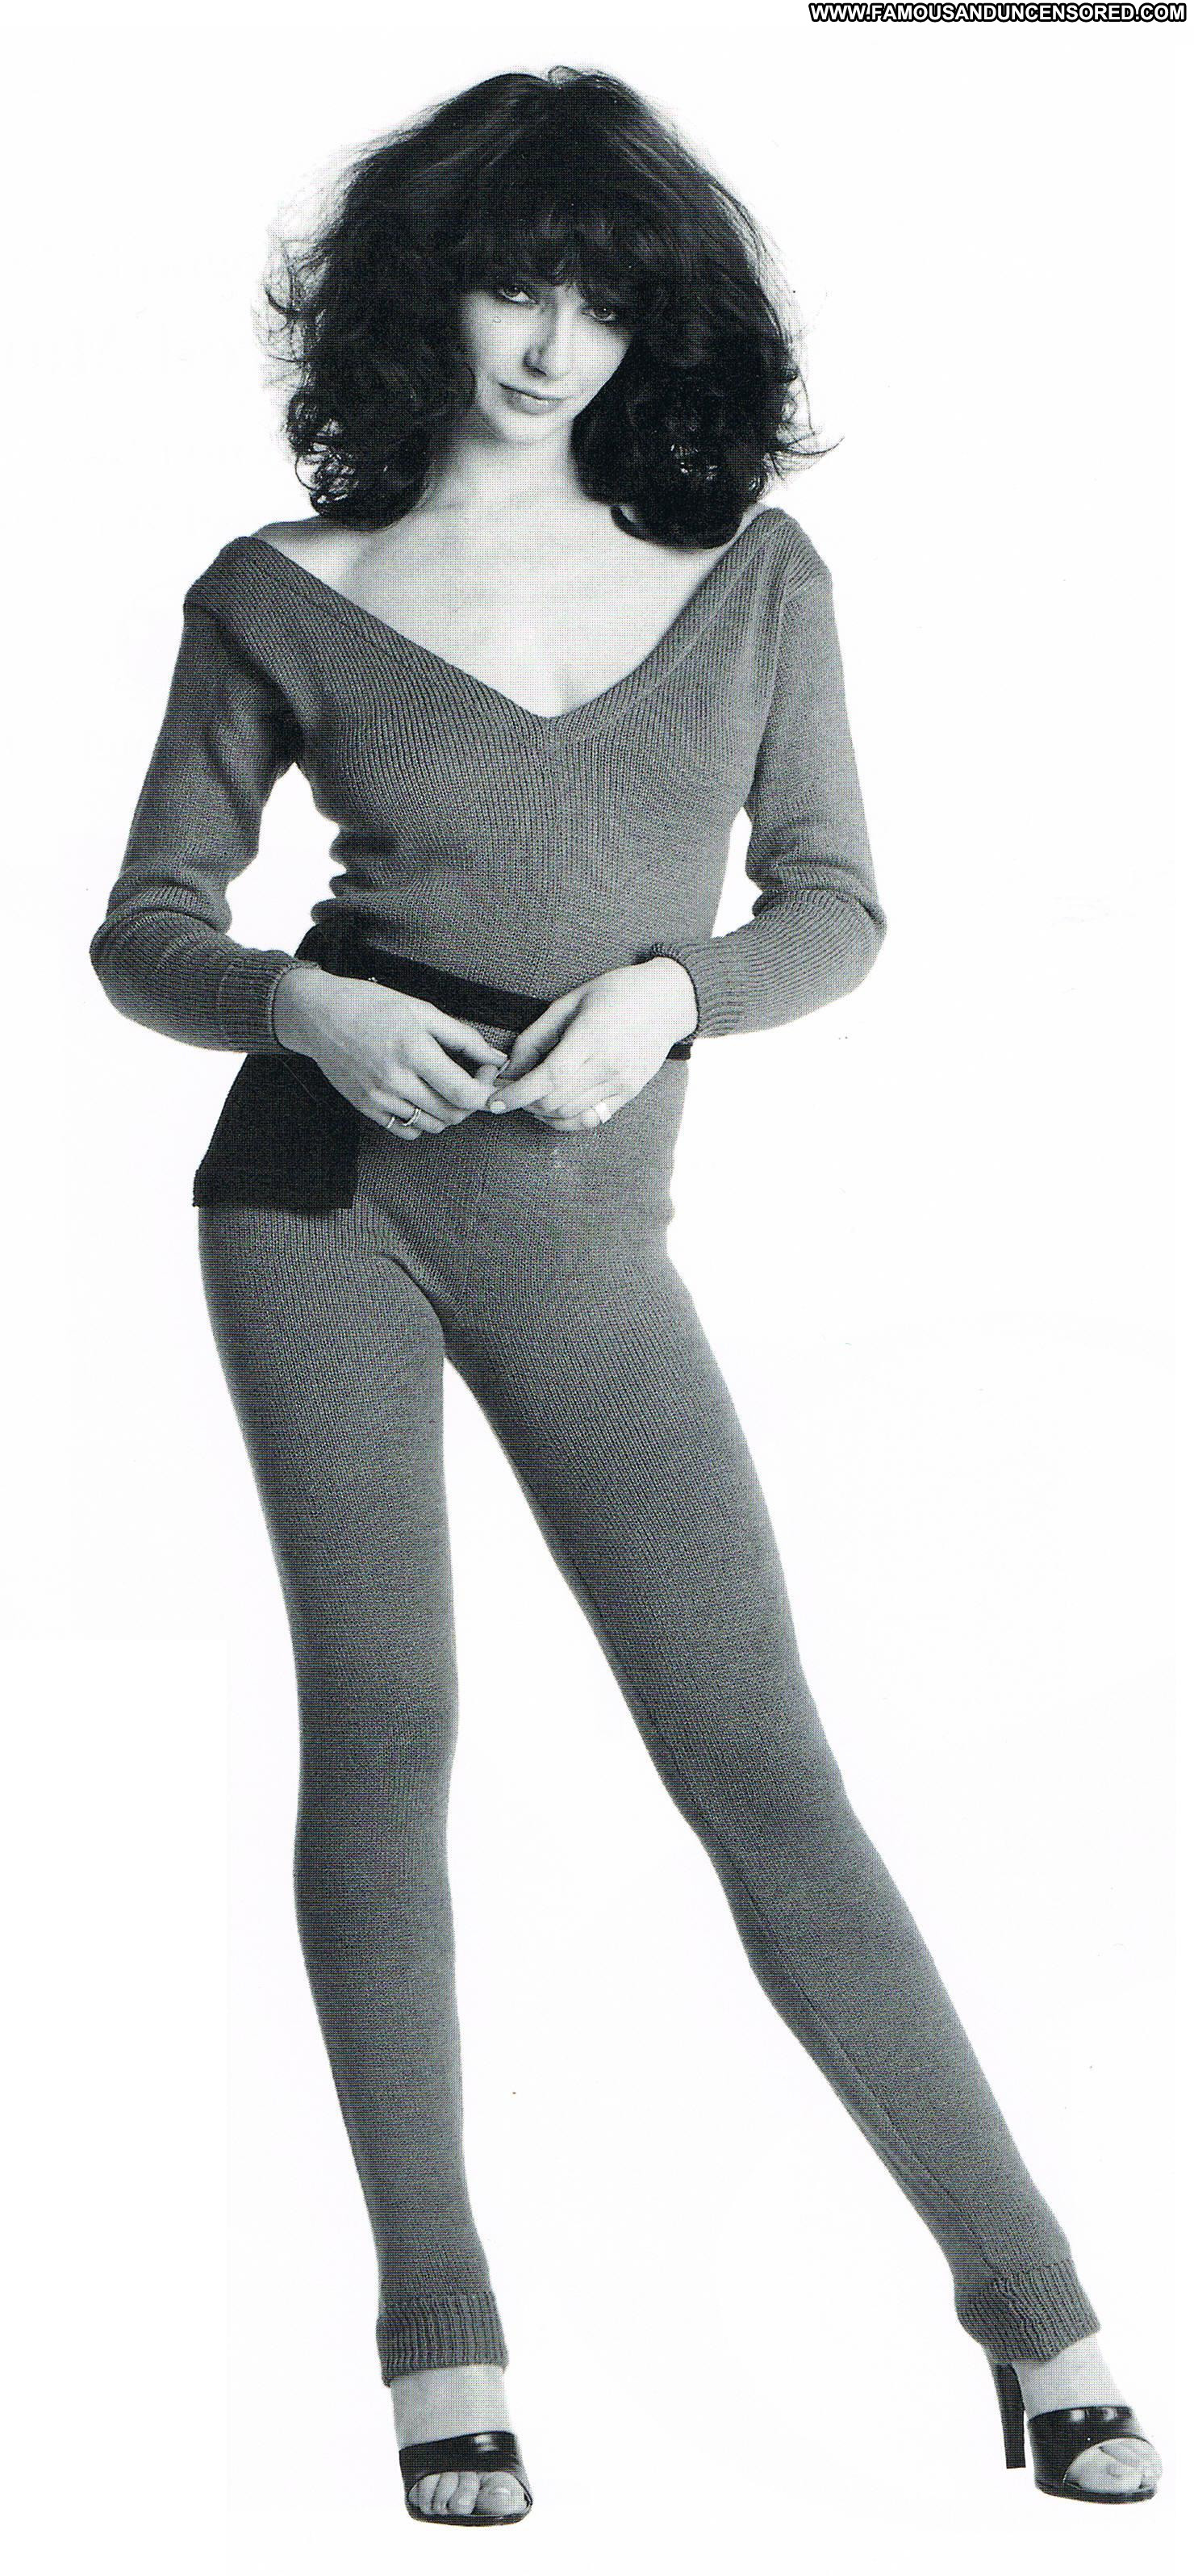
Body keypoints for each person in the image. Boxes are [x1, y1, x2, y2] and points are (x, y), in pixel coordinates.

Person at [89, 65, 1161, 2527]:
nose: (547, 336)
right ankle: (440, 2344)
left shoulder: (756, 579)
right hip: (316, 1210)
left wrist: (678, 992)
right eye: (508, 276)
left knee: (760, 1766)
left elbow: (836, 908)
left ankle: (1039, 2309)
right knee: (388, 1736)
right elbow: (147, 928)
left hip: (584, 1233)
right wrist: (296, 1003)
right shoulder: (281, 587)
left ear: (654, 315)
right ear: (424, 290)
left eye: (595, 288)